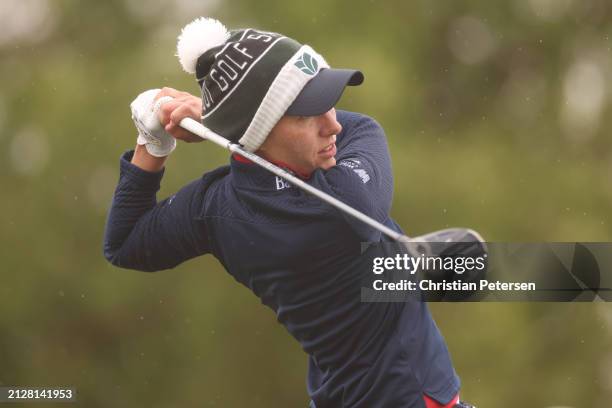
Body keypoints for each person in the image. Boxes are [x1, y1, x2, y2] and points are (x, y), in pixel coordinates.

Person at [103, 17, 475, 408]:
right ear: (260, 131)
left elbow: (125, 242)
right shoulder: (342, 207)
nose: (332, 124)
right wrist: (223, 122)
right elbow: (363, 130)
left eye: (329, 102)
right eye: (307, 113)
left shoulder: (216, 209)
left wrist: (153, 142)